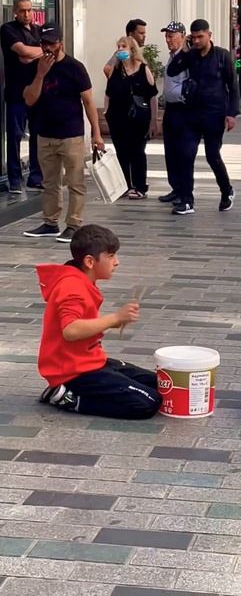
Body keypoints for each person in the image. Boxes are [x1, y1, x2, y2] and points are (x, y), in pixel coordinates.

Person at [37, 224, 162, 420]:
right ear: (89, 261)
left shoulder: (81, 280)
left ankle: (65, 390)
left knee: (159, 383)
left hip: (90, 361)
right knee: (148, 403)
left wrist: (115, 321)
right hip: (72, 371)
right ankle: (67, 398)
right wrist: (115, 318)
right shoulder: (72, 287)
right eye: (111, 256)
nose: (117, 262)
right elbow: (70, 330)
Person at [22, 22, 104, 243]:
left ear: (60, 43)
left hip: (71, 134)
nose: (47, 47)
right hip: (45, 134)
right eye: (44, 43)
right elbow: (29, 99)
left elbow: (88, 101)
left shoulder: (74, 68)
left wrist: (96, 135)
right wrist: (40, 74)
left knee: (75, 181)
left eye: (52, 43)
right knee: (50, 182)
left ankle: (73, 225)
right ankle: (50, 222)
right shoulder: (35, 67)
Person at [167, 19, 239, 215]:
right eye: (194, 37)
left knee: (212, 155)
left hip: (215, 114)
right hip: (192, 113)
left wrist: (231, 114)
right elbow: (172, 70)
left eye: (201, 36)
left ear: (209, 35)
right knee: (186, 154)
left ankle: (227, 191)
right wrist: (183, 49)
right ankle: (187, 200)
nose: (197, 41)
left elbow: (232, 86)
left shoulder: (222, 56)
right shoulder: (190, 55)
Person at [105, 36, 158, 199]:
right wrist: (106, 111)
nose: (120, 49)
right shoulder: (116, 70)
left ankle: (140, 186)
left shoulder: (143, 69)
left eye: (124, 46)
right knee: (121, 151)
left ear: (132, 50)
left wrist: (153, 120)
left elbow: (152, 96)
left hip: (138, 118)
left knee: (137, 151)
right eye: (118, 46)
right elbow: (108, 92)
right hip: (117, 117)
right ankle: (125, 185)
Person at [0, 0, 43, 193]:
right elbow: (22, 51)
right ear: (15, 12)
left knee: (37, 135)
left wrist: (32, 53)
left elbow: (50, 50)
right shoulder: (8, 29)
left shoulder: (37, 30)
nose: (27, 14)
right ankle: (15, 179)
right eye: (23, 11)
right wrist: (35, 52)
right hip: (16, 93)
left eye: (29, 10)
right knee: (15, 137)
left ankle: (35, 177)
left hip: (36, 91)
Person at [158, 21, 189, 204]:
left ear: (182, 36)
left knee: (181, 151)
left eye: (172, 36)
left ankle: (183, 190)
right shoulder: (172, 57)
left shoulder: (186, 56)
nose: (168, 40)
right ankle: (175, 187)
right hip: (170, 108)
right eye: (166, 36)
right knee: (170, 150)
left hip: (182, 109)